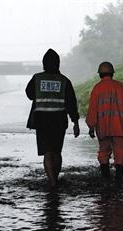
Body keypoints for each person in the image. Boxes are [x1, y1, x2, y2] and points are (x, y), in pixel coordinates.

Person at [26, 49, 80, 188]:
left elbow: (30, 94)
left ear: (44, 63)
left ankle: (52, 182)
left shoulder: (37, 78)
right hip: (59, 120)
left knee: (47, 152)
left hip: (42, 120)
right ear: (58, 63)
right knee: (57, 151)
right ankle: (55, 177)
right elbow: (71, 103)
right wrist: (75, 122)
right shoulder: (64, 80)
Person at [86, 62, 123, 184]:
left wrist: (91, 126)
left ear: (100, 74)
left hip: (102, 128)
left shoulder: (97, 88)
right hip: (119, 126)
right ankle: (118, 180)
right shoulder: (120, 86)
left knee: (103, 152)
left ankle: (106, 179)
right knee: (120, 152)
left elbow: (92, 109)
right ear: (112, 73)